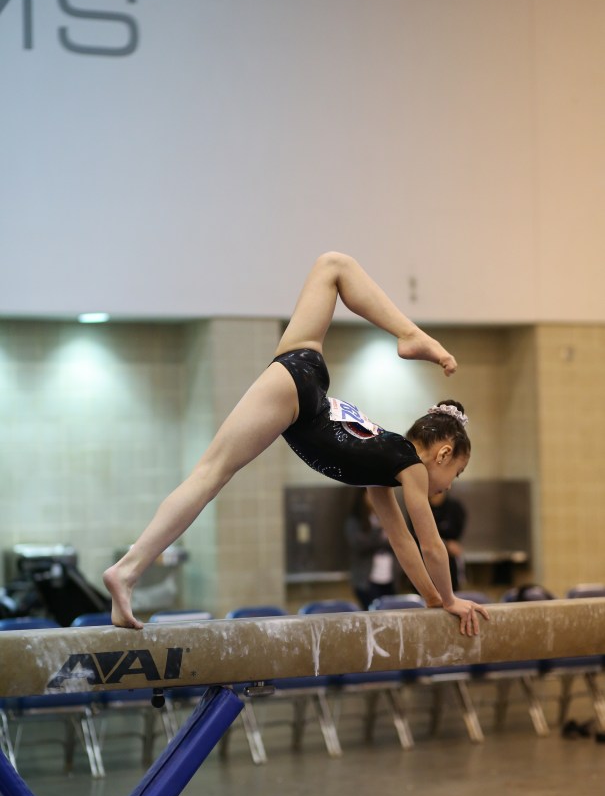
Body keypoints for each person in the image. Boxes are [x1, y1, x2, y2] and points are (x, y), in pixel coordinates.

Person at [103, 252, 489, 635]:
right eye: (456, 473)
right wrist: (450, 599)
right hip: (301, 396)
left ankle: (127, 572)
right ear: (444, 454)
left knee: (333, 265)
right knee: (210, 474)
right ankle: (128, 570)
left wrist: (433, 600)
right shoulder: (411, 468)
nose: (449, 486)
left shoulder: (383, 470)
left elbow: (402, 542)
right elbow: (430, 546)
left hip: (305, 379)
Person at [345, 489, 397, 609]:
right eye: (369, 494)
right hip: (367, 579)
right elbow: (359, 544)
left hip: (390, 577)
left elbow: (398, 541)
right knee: (372, 612)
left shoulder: (388, 516)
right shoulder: (355, 520)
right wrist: (379, 533)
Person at [427, 491, 467, 591]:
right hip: (426, 557)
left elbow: (457, 534)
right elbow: (416, 535)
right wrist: (445, 544)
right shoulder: (420, 507)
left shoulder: (454, 507)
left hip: (450, 558)